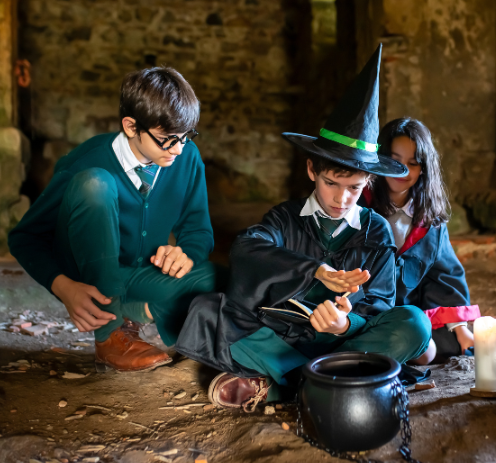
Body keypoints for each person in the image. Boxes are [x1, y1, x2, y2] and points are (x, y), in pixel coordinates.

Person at [175, 45, 432, 412]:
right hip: (280, 339)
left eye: (355, 188)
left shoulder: (375, 231)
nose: (343, 199)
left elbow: (380, 308)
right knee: (206, 310)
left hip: (344, 346)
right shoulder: (284, 217)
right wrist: (316, 271)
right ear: (312, 170)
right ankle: (325, 386)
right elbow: (247, 249)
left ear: (369, 182)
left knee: (414, 323)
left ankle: (288, 386)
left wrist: (344, 324)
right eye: (331, 183)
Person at [8, 67, 223, 372]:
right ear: (131, 126)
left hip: (140, 274)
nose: (178, 148)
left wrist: (186, 253)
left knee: (224, 280)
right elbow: (24, 238)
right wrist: (63, 286)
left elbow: (197, 228)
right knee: (95, 184)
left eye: (186, 136)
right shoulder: (84, 161)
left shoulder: (186, 157)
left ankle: (136, 309)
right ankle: (110, 334)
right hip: (89, 276)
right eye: (166, 139)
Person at [361, 117, 480, 365]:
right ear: (379, 158)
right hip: (362, 311)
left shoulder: (430, 221)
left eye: (412, 164)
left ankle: (397, 348)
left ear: (423, 169)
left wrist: (460, 329)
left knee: (439, 346)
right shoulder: (358, 205)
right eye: (393, 161)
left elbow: (444, 277)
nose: (402, 170)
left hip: (409, 315)